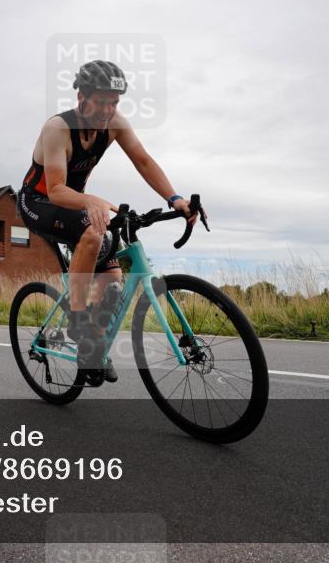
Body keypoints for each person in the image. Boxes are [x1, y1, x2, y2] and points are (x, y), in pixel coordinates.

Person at [19, 60, 198, 386]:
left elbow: (143, 160)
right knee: (91, 233)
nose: (107, 109)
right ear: (81, 96)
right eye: (101, 101)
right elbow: (57, 189)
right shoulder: (58, 129)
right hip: (40, 202)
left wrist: (175, 199)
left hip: (77, 204)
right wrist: (93, 201)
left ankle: (93, 349)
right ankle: (77, 322)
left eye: (114, 102)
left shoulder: (114, 123)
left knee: (113, 280)